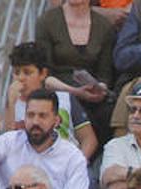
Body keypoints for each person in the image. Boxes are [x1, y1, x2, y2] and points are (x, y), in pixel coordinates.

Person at [34, 0, 117, 134]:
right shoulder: (47, 21)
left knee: (107, 112)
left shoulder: (104, 26)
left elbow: (105, 74)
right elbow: (44, 73)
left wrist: (99, 89)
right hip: (57, 89)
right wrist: (73, 91)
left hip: (91, 92)